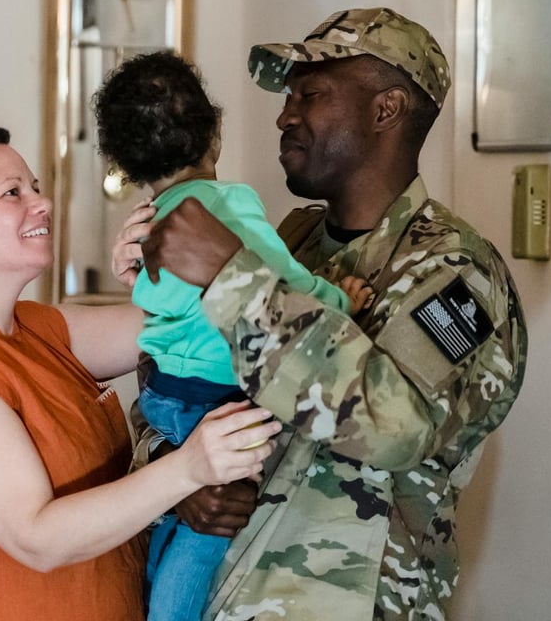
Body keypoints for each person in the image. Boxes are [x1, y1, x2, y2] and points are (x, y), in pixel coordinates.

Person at [112, 8, 528, 620]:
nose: (285, 114)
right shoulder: (292, 239)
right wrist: (178, 477)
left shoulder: (457, 270)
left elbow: (397, 425)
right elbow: (168, 380)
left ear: (385, 110)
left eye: (310, 93)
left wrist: (231, 275)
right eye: (287, 96)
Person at [0, 125, 281, 621]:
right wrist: (188, 468)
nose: (41, 204)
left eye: (36, 188)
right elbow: (37, 537)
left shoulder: (42, 329)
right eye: (12, 192)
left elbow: (194, 329)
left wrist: (156, 280)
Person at [93, 51, 373, 621]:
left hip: (164, 394)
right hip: (214, 398)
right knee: (205, 535)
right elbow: (286, 282)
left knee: (175, 518)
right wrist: (342, 301)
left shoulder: (149, 223)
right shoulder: (231, 206)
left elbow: (156, 308)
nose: (286, 116)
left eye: (308, 96)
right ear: (214, 133)